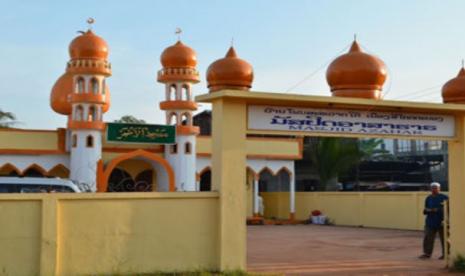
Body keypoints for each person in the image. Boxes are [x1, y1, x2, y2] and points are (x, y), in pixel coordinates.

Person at [419, 182, 448, 259]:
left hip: (442, 221)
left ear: (439, 188)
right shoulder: (428, 198)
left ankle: (446, 254)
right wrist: (428, 210)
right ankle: (427, 253)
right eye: (433, 188)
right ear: (430, 189)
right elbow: (425, 209)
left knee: (445, 239)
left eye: (436, 188)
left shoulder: (444, 197)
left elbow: (448, 209)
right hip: (430, 222)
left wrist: (437, 210)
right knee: (428, 237)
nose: (434, 189)